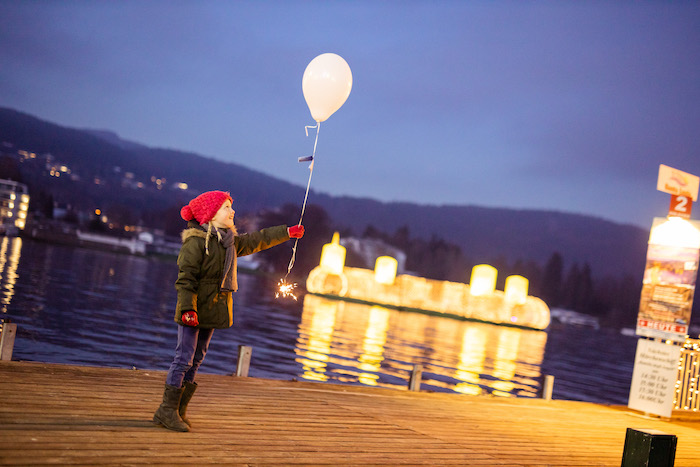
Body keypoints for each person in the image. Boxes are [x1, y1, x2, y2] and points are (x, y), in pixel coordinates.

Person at [153, 190, 304, 432]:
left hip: (213, 310)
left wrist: (286, 233)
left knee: (196, 360)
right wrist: (187, 309)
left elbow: (258, 239)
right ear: (211, 214)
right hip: (192, 311)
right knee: (183, 359)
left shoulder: (230, 242)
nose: (232, 211)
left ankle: (179, 410)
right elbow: (186, 279)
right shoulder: (195, 242)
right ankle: (166, 410)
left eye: (231, 207)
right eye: (226, 207)